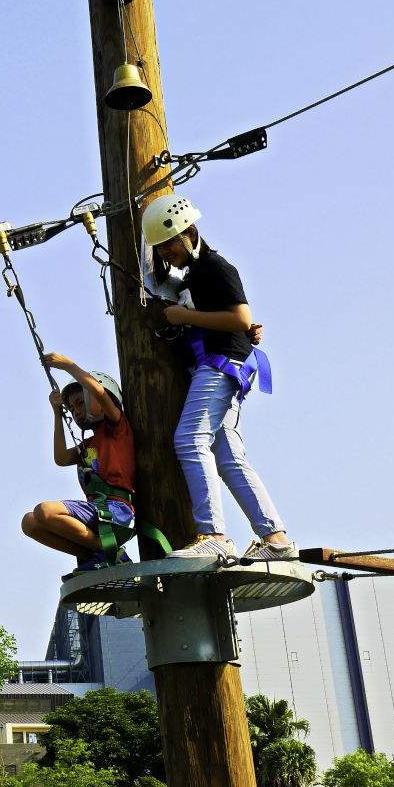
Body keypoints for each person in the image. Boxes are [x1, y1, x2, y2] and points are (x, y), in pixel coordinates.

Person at [142, 193, 295, 561]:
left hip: (220, 363)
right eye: (158, 247)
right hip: (222, 361)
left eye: (168, 243)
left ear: (189, 232)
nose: (164, 253)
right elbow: (238, 322)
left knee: (189, 439)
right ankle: (276, 541)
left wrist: (184, 317)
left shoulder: (213, 266)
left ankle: (213, 534)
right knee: (227, 456)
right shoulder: (192, 276)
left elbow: (240, 318)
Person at [21, 353, 140, 575]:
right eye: (72, 409)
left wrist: (68, 366)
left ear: (105, 405)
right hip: (98, 512)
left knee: (44, 511)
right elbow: (61, 458)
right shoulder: (86, 445)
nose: (76, 412)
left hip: (117, 510)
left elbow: (99, 392)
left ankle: (110, 552)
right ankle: (96, 554)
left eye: (80, 403)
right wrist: (57, 414)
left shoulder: (116, 428)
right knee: (29, 522)